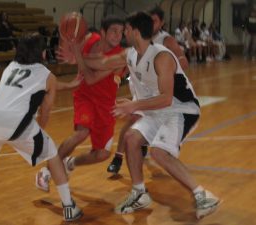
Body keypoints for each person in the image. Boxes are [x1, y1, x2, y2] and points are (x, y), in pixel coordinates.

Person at [78, 11, 220, 219]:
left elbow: (166, 99)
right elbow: (101, 62)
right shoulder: (130, 54)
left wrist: (134, 105)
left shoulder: (161, 57)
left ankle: (203, 195)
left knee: (159, 153)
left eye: (126, 29)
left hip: (180, 109)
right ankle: (139, 193)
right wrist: (77, 53)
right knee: (131, 139)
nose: (124, 32)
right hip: (155, 110)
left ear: (135, 31)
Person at [0, 33, 83, 222]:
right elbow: (46, 109)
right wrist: (40, 130)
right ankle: (68, 207)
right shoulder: (46, 74)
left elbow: (40, 85)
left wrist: (70, 85)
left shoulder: (11, 67)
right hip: (15, 124)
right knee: (52, 153)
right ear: (41, 53)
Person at [35, 15, 126, 191]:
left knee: (102, 154)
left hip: (105, 105)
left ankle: (71, 162)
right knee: (81, 134)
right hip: (85, 97)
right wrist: (69, 49)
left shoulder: (119, 57)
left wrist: (76, 55)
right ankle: (45, 172)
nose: (117, 35)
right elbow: (71, 50)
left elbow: (91, 78)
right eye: (114, 31)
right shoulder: (90, 39)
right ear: (103, 32)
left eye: (121, 32)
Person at [107, 5, 189, 175]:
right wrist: (119, 77)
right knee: (134, 118)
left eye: (155, 20)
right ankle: (119, 157)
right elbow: (132, 62)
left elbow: (183, 61)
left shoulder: (166, 40)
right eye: (149, 20)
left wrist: (167, 73)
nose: (152, 23)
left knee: (138, 120)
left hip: (158, 90)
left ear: (162, 22)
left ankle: (127, 154)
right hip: (141, 87)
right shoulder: (138, 42)